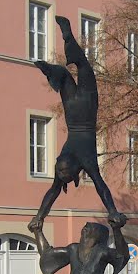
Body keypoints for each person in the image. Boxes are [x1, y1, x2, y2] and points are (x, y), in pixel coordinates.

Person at [30, 15, 124, 231]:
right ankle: (61, 52)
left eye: (62, 173)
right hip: (78, 107)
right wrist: (112, 211)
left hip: (83, 109)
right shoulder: (70, 159)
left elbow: (57, 191)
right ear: (70, 168)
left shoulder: (81, 159)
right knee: (79, 68)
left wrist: (40, 216)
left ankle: (54, 65)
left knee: (77, 70)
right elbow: (100, 187)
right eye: (63, 174)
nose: (61, 176)